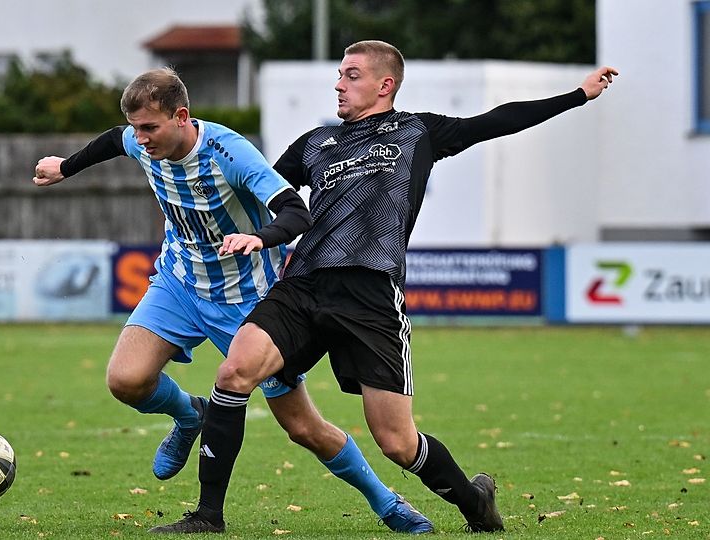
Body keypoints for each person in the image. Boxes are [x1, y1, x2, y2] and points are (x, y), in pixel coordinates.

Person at [152, 41, 619, 534]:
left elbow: (497, 120)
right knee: (234, 373)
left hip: (371, 295)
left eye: (351, 75)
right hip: (304, 284)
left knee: (397, 442)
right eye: (338, 74)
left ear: (384, 84)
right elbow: (250, 188)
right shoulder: (315, 143)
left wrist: (576, 95)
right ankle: (208, 516)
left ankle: (473, 500)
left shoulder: (420, 131)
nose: (338, 83)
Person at [32, 67, 433, 534]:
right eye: (136, 128)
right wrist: (66, 166)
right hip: (180, 282)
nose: (140, 140)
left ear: (181, 116)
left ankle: (385, 501)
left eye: (149, 128)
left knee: (303, 428)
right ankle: (190, 415)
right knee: (126, 380)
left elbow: (295, 211)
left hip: (247, 301)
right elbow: (111, 140)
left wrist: (257, 239)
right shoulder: (142, 140)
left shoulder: (231, 153)